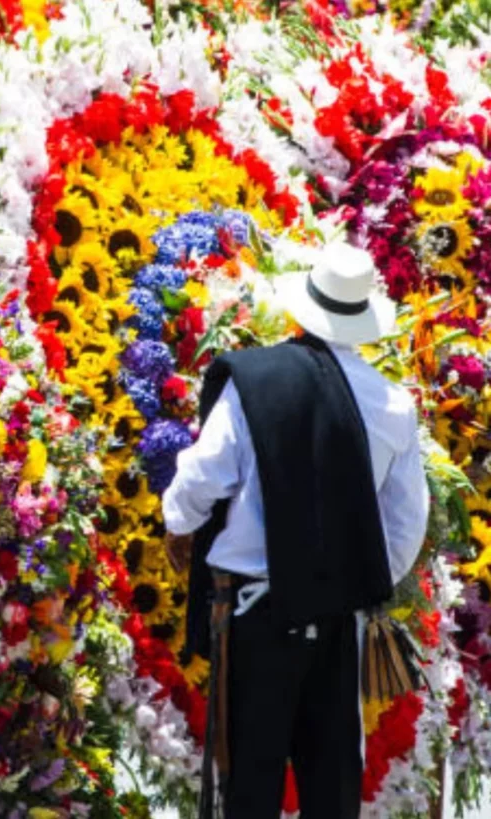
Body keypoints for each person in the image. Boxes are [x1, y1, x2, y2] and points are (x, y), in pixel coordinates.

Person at [162, 242, 429, 819]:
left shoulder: (254, 381)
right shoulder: (393, 404)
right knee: (332, 786)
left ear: (302, 309)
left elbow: (203, 477)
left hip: (255, 615)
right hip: (337, 621)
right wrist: (347, 578)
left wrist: (176, 524)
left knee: (249, 788)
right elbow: (406, 527)